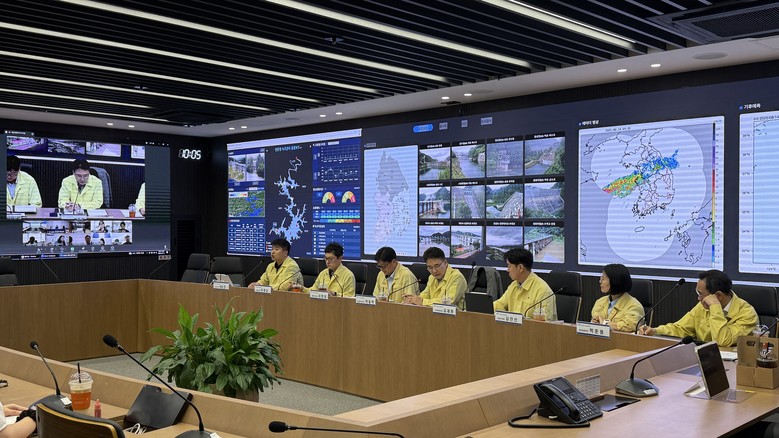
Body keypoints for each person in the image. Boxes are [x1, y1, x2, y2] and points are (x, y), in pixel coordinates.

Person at [639, 270, 758, 347]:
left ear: (718, 295)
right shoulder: (702, 307)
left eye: (701, 294)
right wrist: (655, 331)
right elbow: (681, 328)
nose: (698, 298)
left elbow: (723, 341)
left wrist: (715, 307)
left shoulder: (747, 314)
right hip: (705, 359)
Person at [493, 248, 557, 320]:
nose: (508, 270)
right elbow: (499, 304)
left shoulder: (543, 291)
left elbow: (546, 322)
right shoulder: (514, 285)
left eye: (509, 266)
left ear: (520, 268)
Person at [590, 264, 645, 332]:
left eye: (603, 279)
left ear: (615, 281)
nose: (600, 281)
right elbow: (595, 319)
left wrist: (604, 323)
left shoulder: (635, 306)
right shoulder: (600, 302)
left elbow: (629, 326)